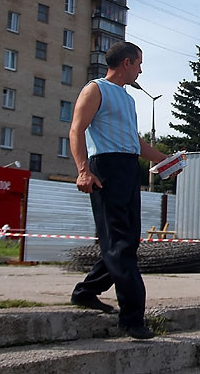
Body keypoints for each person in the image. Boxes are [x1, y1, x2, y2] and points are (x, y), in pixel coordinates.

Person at [68, 42, 167, 340]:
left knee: (127, 241)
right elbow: (76, 129)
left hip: (127, 168)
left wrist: (166, 159)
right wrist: (83, 170)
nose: (141, 69)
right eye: (139, 63)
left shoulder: (127, 99)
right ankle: (132, 318)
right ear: (126, 63)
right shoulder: (94, 89)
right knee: (119, 244)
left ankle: (86, 292)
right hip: (105, 169)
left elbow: (135, 144)